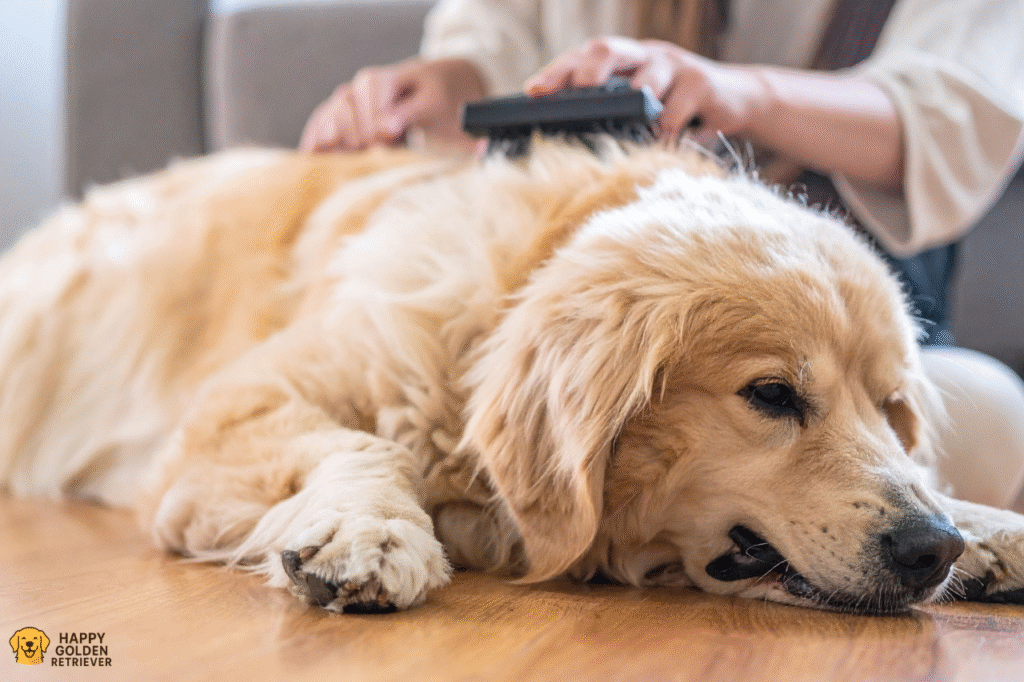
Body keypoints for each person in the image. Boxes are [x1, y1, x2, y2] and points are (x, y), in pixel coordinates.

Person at [299, 0, 1024, 511]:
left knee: (988, 415)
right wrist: (439, 90)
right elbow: (493, 45)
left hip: (849, 332)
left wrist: (744, 94)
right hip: (601, 303)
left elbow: (952, 112)